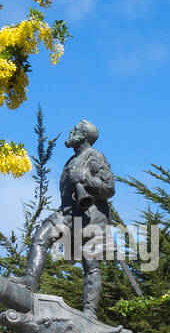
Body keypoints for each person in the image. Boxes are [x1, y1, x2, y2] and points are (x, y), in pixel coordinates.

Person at [23, 119, 115, 316]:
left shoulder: (95, 157)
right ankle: (29, 281)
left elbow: (109, 188)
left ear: (82, 135)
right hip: (67, 213)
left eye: (75, 129)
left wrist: (85, 178)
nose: (70, 131)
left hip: (90, 217)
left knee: (90, 264)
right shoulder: (71, 160)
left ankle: (89, 312)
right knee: (40, 237)